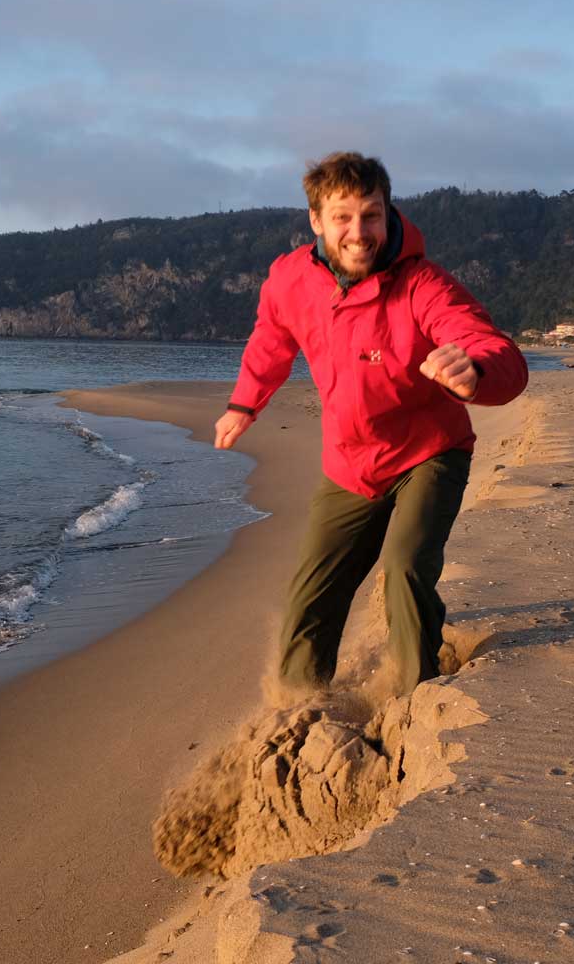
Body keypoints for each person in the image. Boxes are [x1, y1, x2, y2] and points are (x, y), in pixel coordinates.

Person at [214, 151, 528, 695]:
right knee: (313, 592)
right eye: (343, 217)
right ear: (316, 220)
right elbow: (272, 339)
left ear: (388, 213)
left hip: (428, 453)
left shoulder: (421, 284)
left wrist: (475, 368)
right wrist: (245, 404)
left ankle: (414, 695)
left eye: (372, 215)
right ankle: (298, 704)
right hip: (350, 463)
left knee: (405, 569)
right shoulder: (290, 279)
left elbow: (491, 345)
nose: (359, 232)